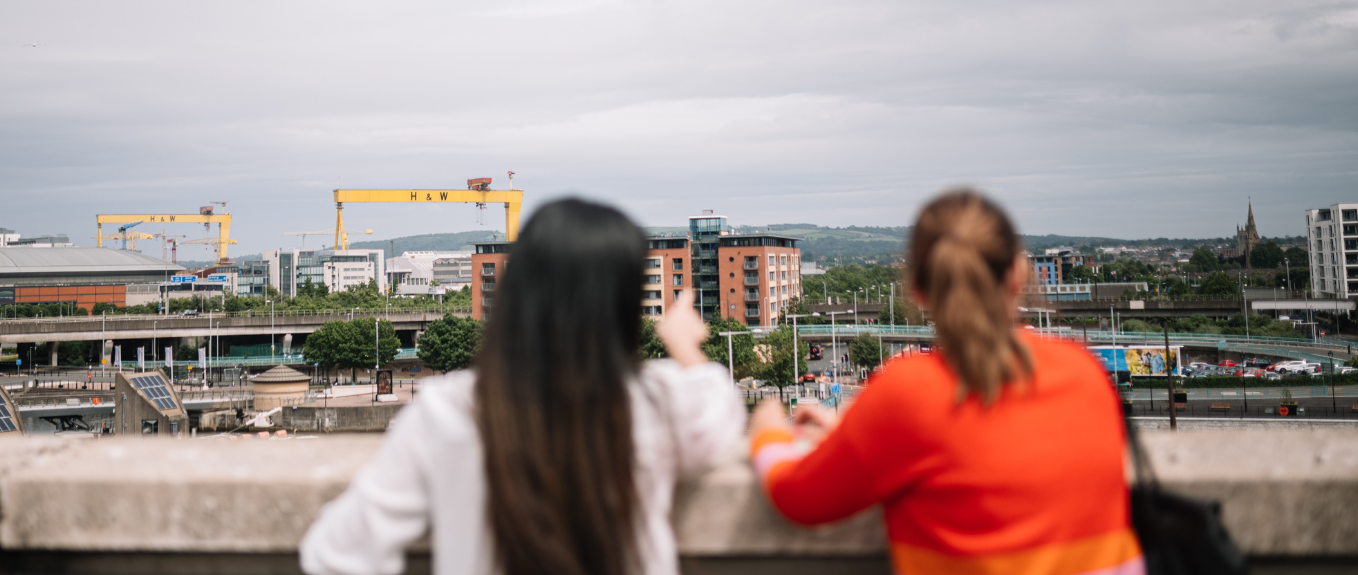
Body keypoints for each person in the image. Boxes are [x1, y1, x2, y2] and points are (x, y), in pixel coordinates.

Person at [300, 198, 744, 575]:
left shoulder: (447, 412)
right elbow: (718, 407)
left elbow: (335, 553)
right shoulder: (655, 403)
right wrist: (684, 344)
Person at [749, 189, 1142, 575]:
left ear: (918, 289)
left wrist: (767, 431)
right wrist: (859, 438)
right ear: (1018, 274)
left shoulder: (907, 392)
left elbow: (799, 498)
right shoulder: (1084, 372)